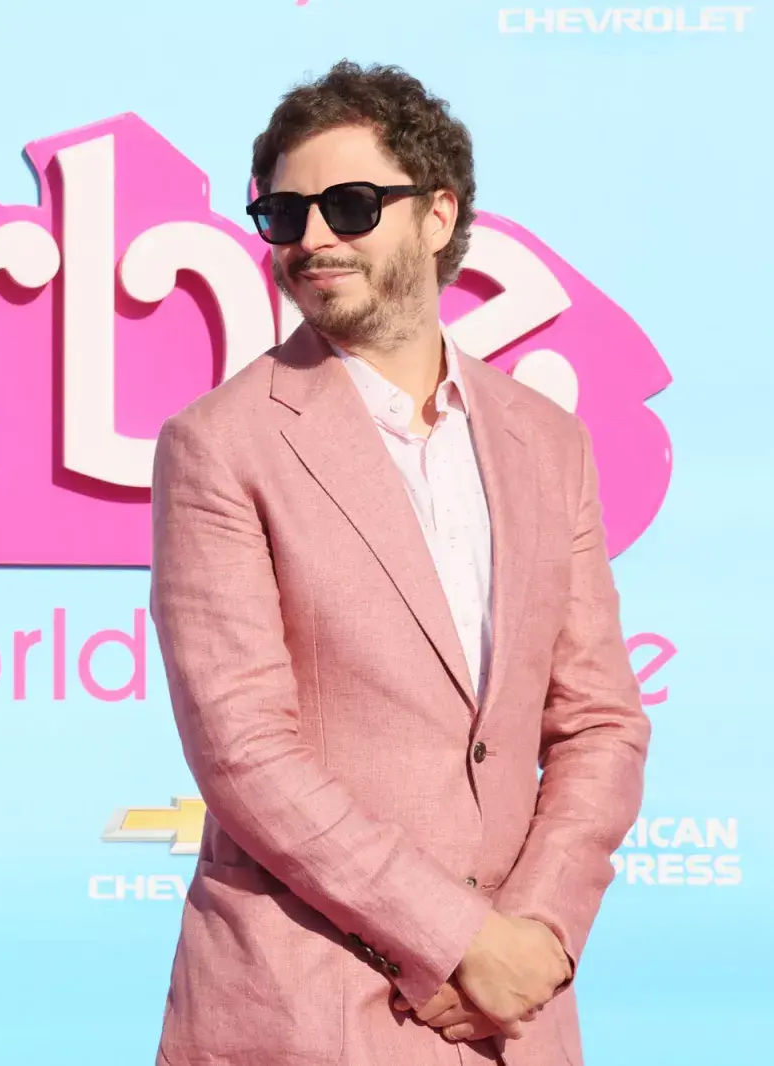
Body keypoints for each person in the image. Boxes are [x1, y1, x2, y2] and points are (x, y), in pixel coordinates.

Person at [148, 60, 650, 1065]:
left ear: (436, 214)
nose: (312, 240)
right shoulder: (220, 444)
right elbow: (246, 752)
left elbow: (599, 721)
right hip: (304, 1006)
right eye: (284, 215)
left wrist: (536, 936)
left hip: (511, 1018)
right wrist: (459, 939)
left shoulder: (547, 441)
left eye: (348, 205)